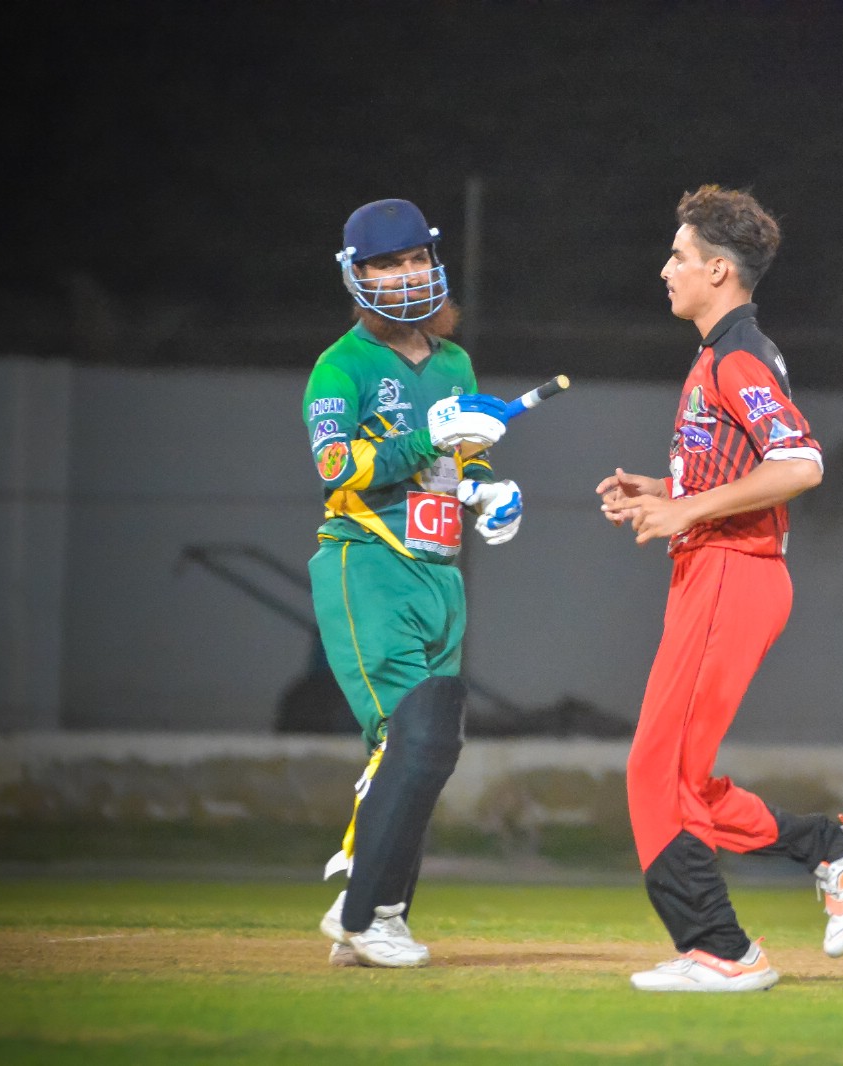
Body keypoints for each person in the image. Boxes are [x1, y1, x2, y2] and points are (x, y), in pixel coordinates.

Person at [596, 185, 843, 992]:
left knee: (656, 773)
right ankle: (834, 849)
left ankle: (722, 952)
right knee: (680, 779)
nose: (665, 270)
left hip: (732, 572)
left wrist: (686, 509)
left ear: (718, 271)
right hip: (716, 570)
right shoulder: (718, 355)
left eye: (678, 257)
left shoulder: (735, 357)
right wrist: (665, 490)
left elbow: (800, 464)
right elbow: (739, 470)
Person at [302, 198, 524, 967]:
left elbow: (463, 458)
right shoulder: (341, 367)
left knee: (428, 749)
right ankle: (365, 908)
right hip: (367, 561)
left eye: (414, 259)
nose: (405, 275)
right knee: (407, 738)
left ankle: (374, 913)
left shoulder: (454, 364)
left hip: (440, 572)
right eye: (386, 264)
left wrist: (488, 490)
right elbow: (336, 465)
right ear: (355, 276)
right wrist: (424, 437)